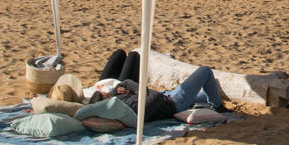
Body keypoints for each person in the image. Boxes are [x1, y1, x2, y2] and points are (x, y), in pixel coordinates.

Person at [90, 49, 227, 120]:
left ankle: (212, 102)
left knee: (207, 93)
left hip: (168, 97)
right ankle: (217, 107)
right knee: (205, 71)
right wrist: (140, 91)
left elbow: (126, 83)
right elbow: (155, 97)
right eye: (108, 94)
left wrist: (128, 91)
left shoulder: (118, 101)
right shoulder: (131, 109)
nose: (111, 93)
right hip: (173, 102)